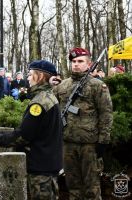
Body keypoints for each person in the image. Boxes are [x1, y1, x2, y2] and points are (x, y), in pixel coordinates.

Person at [0, 60, 63, 199]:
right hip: (47, 162)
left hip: (42, 167)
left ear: (39, 76)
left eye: (30, 74)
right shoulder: (46, 97)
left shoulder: (40, 103)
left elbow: (24, 135)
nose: (27, 78)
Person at [53, 47, 113, 199]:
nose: (76, 64)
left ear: (89, 64)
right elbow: (51, 108)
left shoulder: (98, 86)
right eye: (73, 61)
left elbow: (106, 114)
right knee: (72, 186)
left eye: (80, 61)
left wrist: (103, 141)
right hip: (68, 143)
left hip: (90, 145)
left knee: (91, 188)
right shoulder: (62, 86)